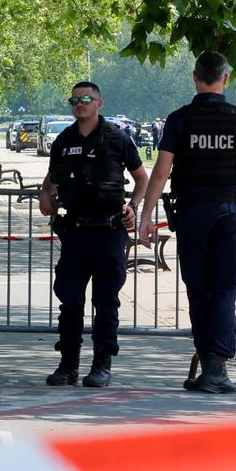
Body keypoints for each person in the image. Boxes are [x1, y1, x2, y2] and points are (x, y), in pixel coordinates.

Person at [138, 51, 236, 394]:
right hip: (229, 213)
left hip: (192, 213)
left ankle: (210, 364)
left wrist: (147, 219)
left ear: (195, 77)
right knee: (224, 288)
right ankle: (216, 367)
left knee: (198, 289)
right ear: (226, 79)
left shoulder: (180, 120)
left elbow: (161, 172)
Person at [39, 82, 149, 387]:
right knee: (70, 302)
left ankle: (102, 364)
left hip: (109, 231)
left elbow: (142, 178)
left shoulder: (118, 138)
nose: (79, 103)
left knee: (106, 302)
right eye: (74, 99)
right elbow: (50, 180)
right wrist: (45, 196)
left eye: (85, 98)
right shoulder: (63, 140)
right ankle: (68, 365)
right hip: (74, 233)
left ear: (99, 103)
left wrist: (134, 206)